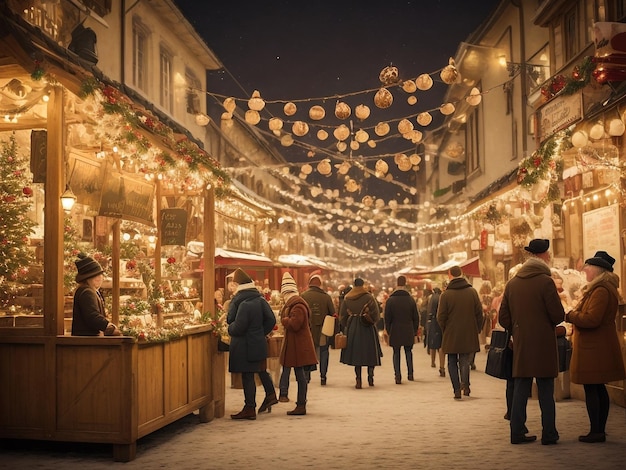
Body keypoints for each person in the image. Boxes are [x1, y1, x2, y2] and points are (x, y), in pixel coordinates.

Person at [499, 239, 565, 445]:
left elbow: (503, 317)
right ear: (544, 256)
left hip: (522, 342)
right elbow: (557, 315)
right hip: (544, 342)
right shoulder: (546, 282)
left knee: (520, 387)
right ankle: (549, 433)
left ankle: (517, 432)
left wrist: (517, 329)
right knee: (546, 390)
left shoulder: (512, 283)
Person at [566, 251, 626, 443]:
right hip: (596, 346)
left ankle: (597, 431)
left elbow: (592, 319)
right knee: (597, 388)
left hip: (595, 347)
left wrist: (570, 316)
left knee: (593, 389)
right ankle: (598, 429)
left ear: (597, 270)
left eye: (588, 268)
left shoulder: (600, 290)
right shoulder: (599, 288)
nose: (585, 271)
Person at [227, 268, 278, 420]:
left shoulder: (238, 301)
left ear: (237, 284)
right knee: (260, 369)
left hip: (243, 344)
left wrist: (230, 328)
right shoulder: (260, 298)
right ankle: (270, 395)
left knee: (247, 375)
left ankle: (250, 407)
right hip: (258, 342)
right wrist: (260, 332)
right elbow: (271, 320)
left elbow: (233, 323)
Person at [437, 265, 482, 400]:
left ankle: (456, 389)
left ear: (450, 275)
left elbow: (441, 317)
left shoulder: (445, 295)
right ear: (461, 274)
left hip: (451, 333)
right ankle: (466, 385)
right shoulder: (472, 292)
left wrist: (446, 329)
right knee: (464, 360)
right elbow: (479, 313)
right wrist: (476, 328)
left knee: (451, 360)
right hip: (468, 332)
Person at [278, 272, 318, 415]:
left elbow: (295, 324)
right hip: (297, 346)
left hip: (300, 347)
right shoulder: (296, 305)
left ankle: (301, 404)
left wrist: (284, 320)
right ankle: (300, 403)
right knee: (300, 376)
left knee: (301, 377)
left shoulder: (298, 306)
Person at [340, 277, 383, 388]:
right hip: (367, 326)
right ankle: (370, 377)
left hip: (353, 327)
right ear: (363, 285)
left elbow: (342, 316)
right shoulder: (369, 297)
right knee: (370, 352)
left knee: (356, 354)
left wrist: (348, 324)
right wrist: (372, 320)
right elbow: (376, 314)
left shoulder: (347, 298)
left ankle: (358, 379)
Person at [72, 253, 121, 336]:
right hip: (86, 340)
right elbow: (92, 317)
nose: (101, 278)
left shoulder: (86, 290)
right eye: (98, 275)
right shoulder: (87, 292)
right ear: (92, 277)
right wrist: (108, 326)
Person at [301, 272, 336, 386]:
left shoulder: (303, 296)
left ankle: (307, 376)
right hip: (323, 330)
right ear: (320, 284)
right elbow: (333, 314)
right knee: (324, 352)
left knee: (308, 352)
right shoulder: (326, 297)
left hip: (308, 330)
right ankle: (323, 376)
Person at [384, 275, 419, 384]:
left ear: (397, 283)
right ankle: (410, 374)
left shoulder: (391, 300)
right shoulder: (410, 299)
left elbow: (387, 318)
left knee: (396, 353)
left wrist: (389, 330)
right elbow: (416, 317)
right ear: (405, 283)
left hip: (395, 329)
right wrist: (414, 330)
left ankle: (397, 376)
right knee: (409, 352)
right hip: (408, 329)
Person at [426, 287, 445, 377]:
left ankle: (432, 362)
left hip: (433, 322)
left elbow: (428, 311)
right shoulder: (442, 297)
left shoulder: (431, 298)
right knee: (441, 346)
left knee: (433, 344)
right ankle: (442, 367)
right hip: (441, 323)